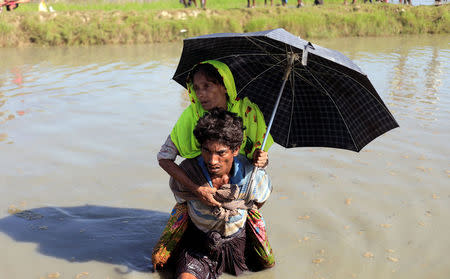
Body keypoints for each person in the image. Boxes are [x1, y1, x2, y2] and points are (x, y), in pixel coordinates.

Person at [153, 60, 274, 271]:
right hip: (202, 190)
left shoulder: (248, 112)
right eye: (196, 88)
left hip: (237, 193)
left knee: (259, 265)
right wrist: (196, 189)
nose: (200, 94)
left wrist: (262, 159)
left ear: (224, 86)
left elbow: (259, 159)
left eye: (207, 86)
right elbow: (164, 157)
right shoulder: (191, 116)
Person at [170, 108, 273, 278]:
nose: (212, 160)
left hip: (237, 243)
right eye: (206, 150)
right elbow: (182, 201)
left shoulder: (252, 177)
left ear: (235, 150)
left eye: (221, 152)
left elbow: (258, 203)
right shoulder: (189, 172)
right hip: (198, 246)